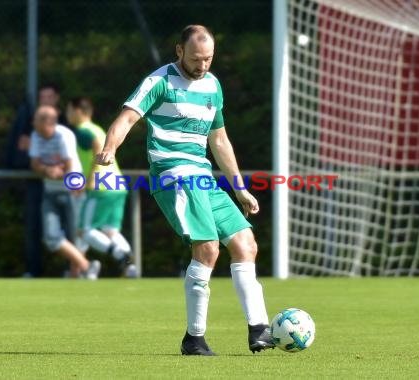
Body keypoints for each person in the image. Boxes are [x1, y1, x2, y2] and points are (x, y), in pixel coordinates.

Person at [96, 25, 274, 355]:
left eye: (208, 58)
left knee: (245, 244)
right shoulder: (159, 81)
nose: (203, 65)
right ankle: (195, 339)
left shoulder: (212, 86)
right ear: (179, 51)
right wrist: (110, 148)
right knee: (207, 249)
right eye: (195, 58)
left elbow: (219, 140)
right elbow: (127, 118)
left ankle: (259, 328)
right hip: (173, 175)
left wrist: (240, 189)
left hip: (202, 177)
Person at [66, 97, 137, 278]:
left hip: (101, 185)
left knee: (84, 230)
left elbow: (96, 147)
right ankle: (130, 266)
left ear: (78, 111)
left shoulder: (83, 130)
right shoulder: (97, 128)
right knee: (110, 230)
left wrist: (89, 179)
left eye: (68, 110)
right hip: (117, 184)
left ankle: (120, 255)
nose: (67, 114)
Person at [29, 105, 101, 280]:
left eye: (37, 119)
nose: (33, 123)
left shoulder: (64, 134)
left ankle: (77, 276)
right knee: (51, 237)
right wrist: (48, 171)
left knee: (76, 236)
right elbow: (35, 163)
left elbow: (68, 164)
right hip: (50, 191)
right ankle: (87, 266)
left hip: (72, 190)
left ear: (48, 122)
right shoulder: (35, 135)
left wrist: (55, 172)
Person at [6, 83, 69, 277]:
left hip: (64, 187)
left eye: (49, 97)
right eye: (42, 98)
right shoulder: (33, 128)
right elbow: (28, 155)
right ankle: (33, 271)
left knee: (70, 230)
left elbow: (67, 159)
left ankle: (74, 269)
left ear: (56, 99)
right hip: (40, 185)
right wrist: (45, 165)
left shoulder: (65, 128)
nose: (45, 102)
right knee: (36, 230)